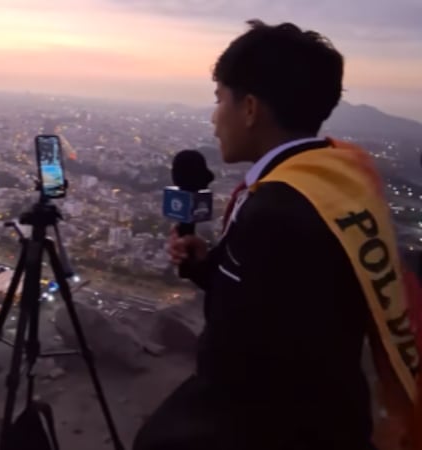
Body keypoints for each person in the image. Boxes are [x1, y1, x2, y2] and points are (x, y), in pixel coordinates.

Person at [133, 20, 420, 450]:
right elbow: (284, 296)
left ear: (249, 109)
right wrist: (208, 266)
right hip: (335, 414)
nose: (214, 120)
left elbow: (244, 361)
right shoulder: (340, 179)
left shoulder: (276, 210)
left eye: (218, 101)